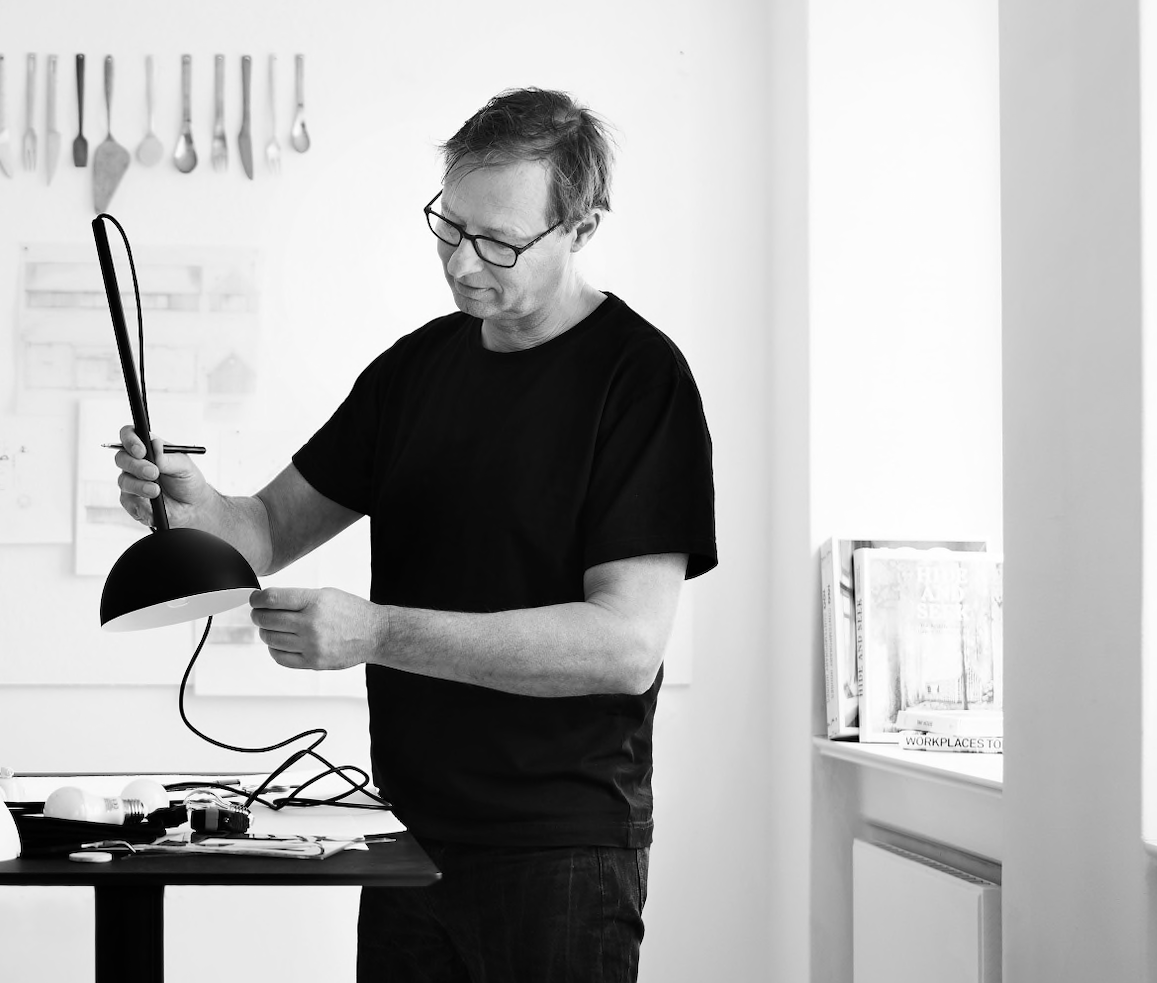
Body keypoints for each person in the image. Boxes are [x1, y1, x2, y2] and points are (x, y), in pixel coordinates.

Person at [112, 87, 717, 983]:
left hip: (560, 851)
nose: (465, 264)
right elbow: (267, 529)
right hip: (403, 836)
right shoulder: (415, 370)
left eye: (501, 241)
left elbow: (624, 644)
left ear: (583, 228)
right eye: (450, 227)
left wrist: (378, 632)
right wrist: (193, 502)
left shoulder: (640, 382)